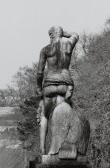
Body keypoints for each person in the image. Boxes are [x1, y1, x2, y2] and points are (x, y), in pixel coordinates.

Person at [36, 26, 79, 154]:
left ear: (51, 35)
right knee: (63, 114)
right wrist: (64, 33)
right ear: (60, 34)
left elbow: (39, 72)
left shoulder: (46, 49)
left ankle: (42, 148)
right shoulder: (68, 45)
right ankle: (62, 148)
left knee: (44, 115)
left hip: (49, 85)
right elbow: (76, 34)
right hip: (65, 85)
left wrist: (39, 88)